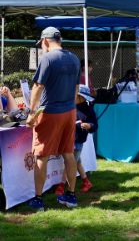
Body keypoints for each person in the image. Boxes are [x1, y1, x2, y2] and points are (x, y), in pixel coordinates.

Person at [25, 27, 81, 210]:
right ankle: (71, 196)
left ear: (45, 41)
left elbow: (38, 86)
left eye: (41, 44)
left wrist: (31, 113)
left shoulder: (47, 58)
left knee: (42, 155)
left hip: (50, 112)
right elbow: (76, 89)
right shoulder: (74, 58)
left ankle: (38, 199)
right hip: (70, 111)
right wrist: (69, 105)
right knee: (69, 153)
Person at [55, 85, 97, 196]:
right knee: (77, 162)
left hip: (78, 141)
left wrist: (88, 126)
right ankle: (86, 182)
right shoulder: (70, 108)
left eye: (75, 96)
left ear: (82, 97)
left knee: (69, 163)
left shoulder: (89, 111)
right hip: (67, 139)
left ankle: (61, 185)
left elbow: (95, 125)